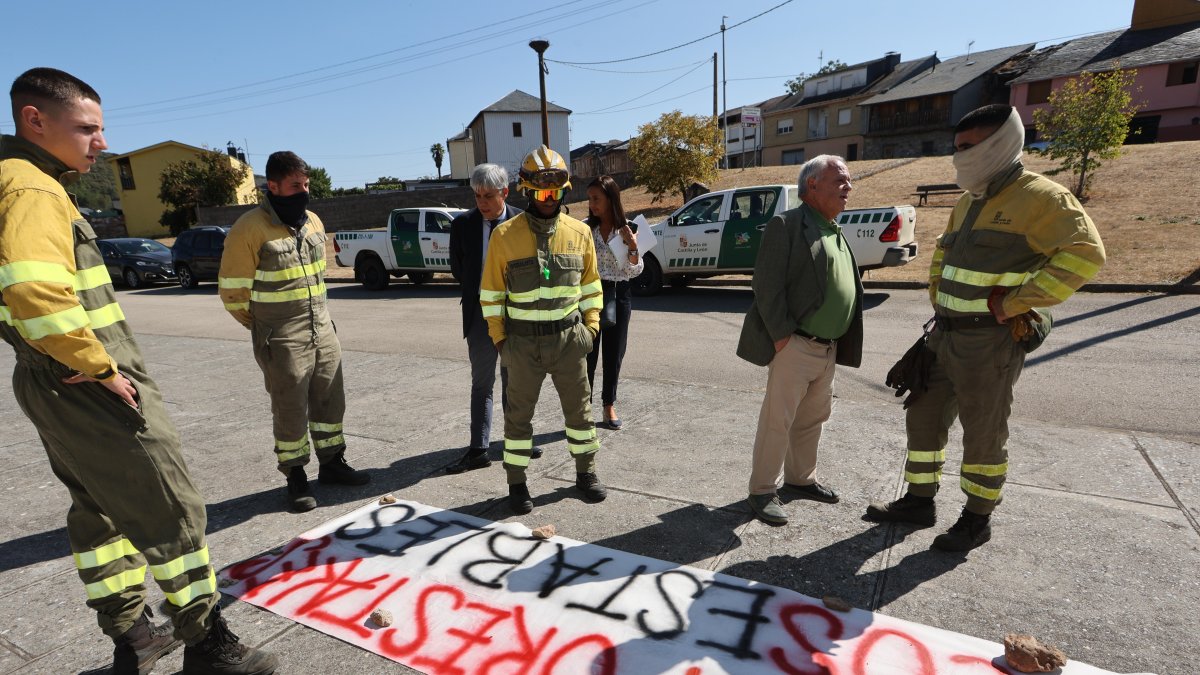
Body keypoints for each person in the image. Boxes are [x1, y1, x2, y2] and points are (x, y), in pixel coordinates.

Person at [0, 67, 276, 675]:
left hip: (45, 376)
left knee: (98, 510)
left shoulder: (10, 181)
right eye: (87, 129)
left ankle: (135, 636)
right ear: (34, 120)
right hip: (86, 380)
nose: (101, 144)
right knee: (169, 506)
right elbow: (34, 294)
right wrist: (100, 368)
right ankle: (209, 645)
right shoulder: (32, 189)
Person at [865, 104, 1105, 552]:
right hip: (944, 335)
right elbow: (943, 256)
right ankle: (919, 502)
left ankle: (976, 520)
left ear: (1000, 143)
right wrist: (938, 295)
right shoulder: (969, 200)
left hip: (989, 342)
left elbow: (1086, 255)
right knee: (923, 417)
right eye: (956, 148)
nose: (959, 157)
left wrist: (1017, 303)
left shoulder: (1042, 199)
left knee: (983, 432)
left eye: (968, 147)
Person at [218, 151, 369, 513]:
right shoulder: (249, 229)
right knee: (290, 408)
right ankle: (296, 476)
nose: (303, 192)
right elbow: (233, 293)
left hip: (322, 326)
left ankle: (332, 463)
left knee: (330, 398)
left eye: (306, 185)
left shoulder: (313, 221)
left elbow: (318, 277)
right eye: (295, 186)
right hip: (281, 335)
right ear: (272, 186)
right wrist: (265, 327)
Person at [736, 155, 864, 526]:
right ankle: (762, 490)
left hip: (828, 347)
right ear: (812, 184)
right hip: (796, 345)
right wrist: (782, 338)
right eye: (840, 180)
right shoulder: (787, 224)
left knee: (812, 419)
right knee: (777, 422)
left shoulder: (832, 227)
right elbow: (766, 285)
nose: (848, 187)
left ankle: (800, 479)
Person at [480, 145, 606, 514]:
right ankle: (517, 483)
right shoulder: (504, 236)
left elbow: (591, 287)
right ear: (526, 191)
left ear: (565, 191)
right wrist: (501, 341)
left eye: (555, 192)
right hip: (521, 344)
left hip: (569, 341)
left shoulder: (580, 233)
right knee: (518, 417)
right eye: (540, 193)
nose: (548, 200)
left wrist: (590, 329)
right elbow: (491, 295)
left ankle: (586, 473)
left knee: (580, 414)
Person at [446, 163, 541, 472]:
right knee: (482, 383)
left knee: (516, 382)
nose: (482, 202)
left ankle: (518, 440)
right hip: (480, 315)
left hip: (517, 314)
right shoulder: (463, 225)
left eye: (488, 195)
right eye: (477, 196)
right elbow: (459, 268)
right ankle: (478, 449)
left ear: (505, 192)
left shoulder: (523, 222)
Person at [584, 175, 643, 429]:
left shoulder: (628, 228)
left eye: (596, 198)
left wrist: (632, 245)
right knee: (587, 352)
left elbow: (635, 270)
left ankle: (609, 405)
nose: (592, 204)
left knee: (614, 353)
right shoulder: (586, 229)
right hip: (591, 294)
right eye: (589, 199)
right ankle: (583, 407)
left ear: (611, 199)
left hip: (619, 294)